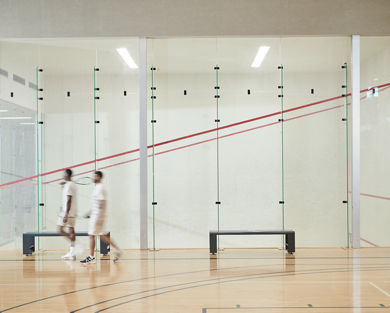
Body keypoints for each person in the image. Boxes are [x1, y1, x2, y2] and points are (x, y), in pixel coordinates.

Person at [80, 171, 122, 264]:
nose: (93, 178)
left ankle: (91, 257)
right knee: (100, 235)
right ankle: (118, 250)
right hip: (97, 215)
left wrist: (96, 215)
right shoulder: (98, 188)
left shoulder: (100, 188)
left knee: (91, 235)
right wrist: (90, 213)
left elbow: (101, 202)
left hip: (97, 216)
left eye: (95, 176)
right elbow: (97, 204)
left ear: (99, 177)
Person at [57, 168, 78, 260]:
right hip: (72, 212)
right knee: (71, 229)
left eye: (64, 174)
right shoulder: (71, 185)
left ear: (68, 175)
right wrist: (64, 186)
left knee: (60, 229)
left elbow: (69, 200)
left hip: (68, 212)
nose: (63, 176)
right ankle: (72, 252)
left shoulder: (69, 186)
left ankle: (75, 245)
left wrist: (66, 214)